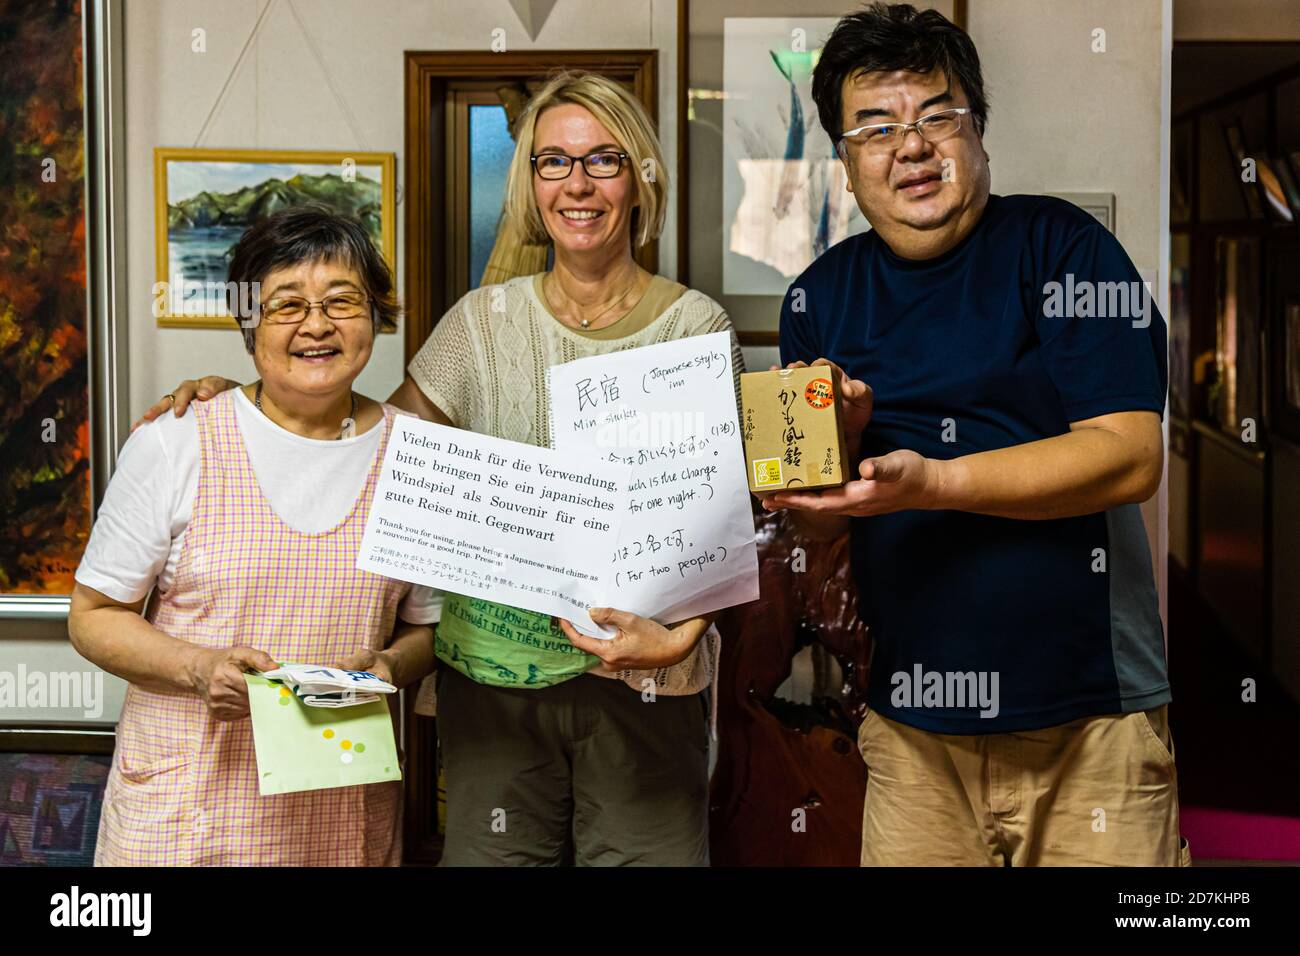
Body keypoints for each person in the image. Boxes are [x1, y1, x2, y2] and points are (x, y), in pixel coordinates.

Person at [138, 72, 744, 866]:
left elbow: (724, 524)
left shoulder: (697, 326)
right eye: (553, 162)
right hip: (490, 687)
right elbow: (366, 444)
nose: (578, 184)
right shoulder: (478, 323)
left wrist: (677, 642)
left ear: (640, 178)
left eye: (604, 160)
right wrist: (249, 400)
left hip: (641, 684)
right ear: (530, 182)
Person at [766, 3, 1185, 866]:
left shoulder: (1065, 250)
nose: (910, 146)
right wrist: (835, 454)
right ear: (846, 163)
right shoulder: (817, 298)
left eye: (937, 117)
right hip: (912, 730)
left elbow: (1129, 454)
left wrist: (933, 481)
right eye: (875, 127)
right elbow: (815, 521)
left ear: (978, 131)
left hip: (1091, 721)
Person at [70, 207, 439, 866]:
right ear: (250, 326)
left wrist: (388, 668)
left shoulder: (416, 458)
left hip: (339, 811)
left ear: (375, 317)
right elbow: (93, 617)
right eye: (286, 305)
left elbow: (426, 630)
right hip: (188, 813)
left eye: (342, 302)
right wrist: (198, 666)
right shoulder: (177, 441)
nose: (317, 325)